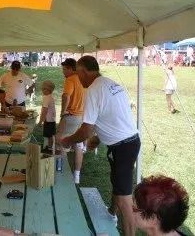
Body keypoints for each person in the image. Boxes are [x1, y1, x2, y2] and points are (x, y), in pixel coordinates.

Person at [60, 55, 140, 236]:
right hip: (129, 141)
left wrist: (68, 140)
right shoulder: (110, 83)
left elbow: (86, 129)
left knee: (125, 200)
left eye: (78, 74)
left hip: (122, 147)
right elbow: (108, 117)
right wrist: (98, 139)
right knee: (118, 183)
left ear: (83, 71)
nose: (78, 79)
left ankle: (127, 229)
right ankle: (112, 213)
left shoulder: (93, 90)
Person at [55, 58, 86, 184]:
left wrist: (63, 111)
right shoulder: (83, 79)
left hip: (71, 115)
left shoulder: (70, 79)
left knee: (60, 142)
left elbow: (66, 96)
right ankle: (77, 176)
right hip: (82, 116)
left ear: (70, 68)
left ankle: (60, 171)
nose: (63, 72)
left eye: (64, 69)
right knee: (78, 145)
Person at [38, 81, 56, 151]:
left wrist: (40, 121)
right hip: (51, 119)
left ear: (48, 90)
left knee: (49, 135)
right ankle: (49, 147)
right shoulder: (50, 97)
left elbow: (44, 111)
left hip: (48, 120)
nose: (42, 90)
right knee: (49, 135)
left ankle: (49, 148)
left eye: (43, 89)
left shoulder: (46, 98)